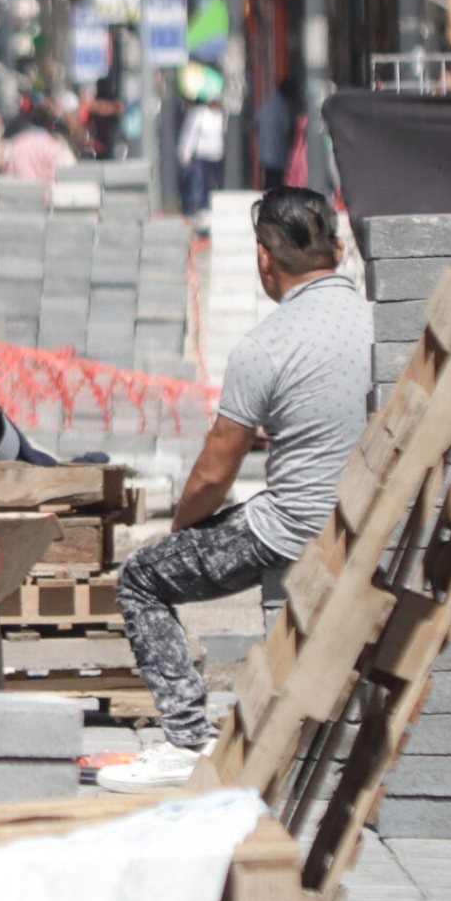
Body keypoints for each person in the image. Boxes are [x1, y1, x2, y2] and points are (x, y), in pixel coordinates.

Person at [96, 187, 370, 792]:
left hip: (293, 527)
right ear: (340, 249)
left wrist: (179, 531)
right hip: (365, 518)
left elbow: (214, 474)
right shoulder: (377, 324)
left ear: (264, 261)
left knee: (143, 578)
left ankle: (187, 741)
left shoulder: (266, 346)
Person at [178, 96, 226, 231]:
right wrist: (185, 153)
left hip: (215, 157)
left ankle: (207, 215)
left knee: (212, 185)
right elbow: (190, 134)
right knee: (199, 186)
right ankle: (197, 213)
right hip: (201, 157)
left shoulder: (221, 115)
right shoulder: (199, 114)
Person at [0, 106, 76, 184]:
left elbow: (2, 166)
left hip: (19, 191)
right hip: (49, 193)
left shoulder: (15, 143)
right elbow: (68, 168)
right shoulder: (56, 145)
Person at [254, 79, 298, 189]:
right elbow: (288, 130)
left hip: (266, 152)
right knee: (276, 184)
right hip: (278, 153)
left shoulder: (268, 103)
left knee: (269, 181)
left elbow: (255, 123)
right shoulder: (283, 107)